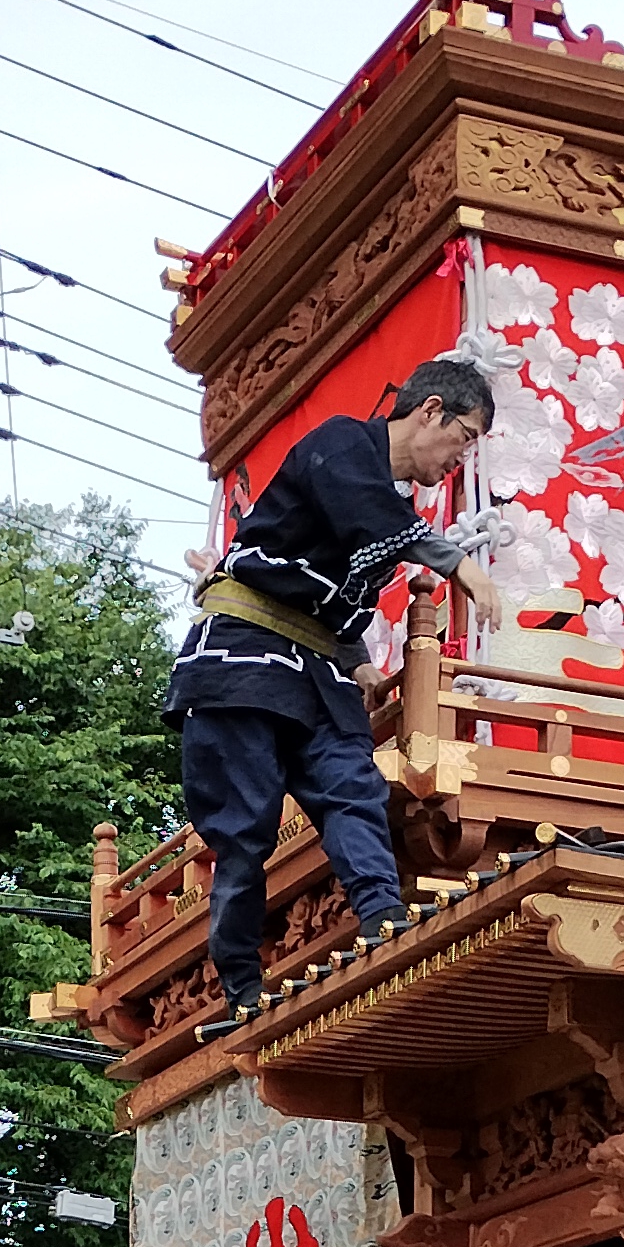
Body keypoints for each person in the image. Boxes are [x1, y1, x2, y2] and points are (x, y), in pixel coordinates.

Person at [165, 357, 498, 1022]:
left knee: (353, 786)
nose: (457, 460)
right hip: (243, 656)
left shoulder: (387, 506)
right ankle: (239, 988)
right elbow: (360, 515)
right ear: (430, 409)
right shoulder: (342, 444)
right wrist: (457, 564)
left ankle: (382, 919)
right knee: (245, 830)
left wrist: (359, 661)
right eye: (463, 438)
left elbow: (338, 588)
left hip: (315, 670)